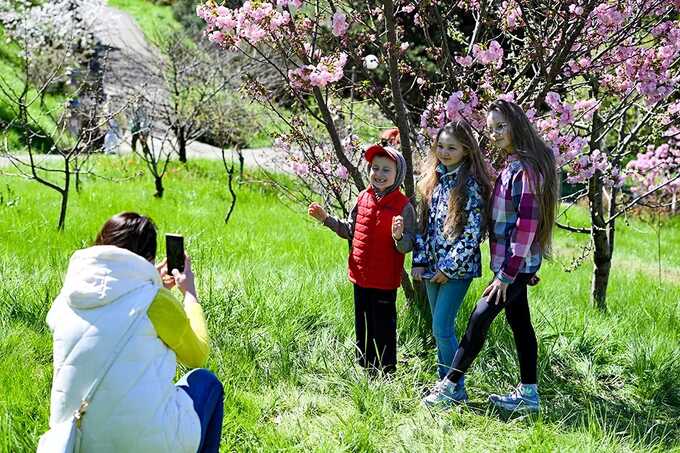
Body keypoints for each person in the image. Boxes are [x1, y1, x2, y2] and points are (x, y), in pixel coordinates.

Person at [43, 212, 223, 452]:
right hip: (145, 444)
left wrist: (151, 282)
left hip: (75, 440)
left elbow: (114, 306)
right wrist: (189, 293)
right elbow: (197, 354)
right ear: (148, 258)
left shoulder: (67, 298)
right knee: (206, 382)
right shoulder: (154, 302)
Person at [423, 100, 558, 412]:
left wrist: (509, 274)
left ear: (517, 126)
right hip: (516, 264)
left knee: (479, 318)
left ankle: (451, 385)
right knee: (520, 323)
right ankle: (528, 394)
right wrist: (523, 265)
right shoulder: (515, 165)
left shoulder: (524, 169)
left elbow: (527, 224)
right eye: (491, 128)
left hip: (511, 268)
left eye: (501, 126)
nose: (495, 133)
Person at [308, 145, 415, 373]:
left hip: (384, 279)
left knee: (383, 325)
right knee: (362, 322)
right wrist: (326, 219)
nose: (379, 174)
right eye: (375, 168)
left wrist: (398, 235)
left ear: (398, 175)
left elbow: (408, 244)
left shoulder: (403, 206)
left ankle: (386, 369)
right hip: (360, 275)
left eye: (386, 170)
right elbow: (351, 229)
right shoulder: (363, 197)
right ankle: (366, 366)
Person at [412, 121, 492, 399]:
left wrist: (449, 268)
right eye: (441, 146)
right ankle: (442, 381)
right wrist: (420, 262)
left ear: (466, 150)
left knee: (442, 327)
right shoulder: (433, 180)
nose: (444, 152)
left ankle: (454, 387)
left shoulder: (470, 185)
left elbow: (472, 234)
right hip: (432, 267)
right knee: (438, 328)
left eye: (452, 148)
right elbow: (423, 226)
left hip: (457, 270)